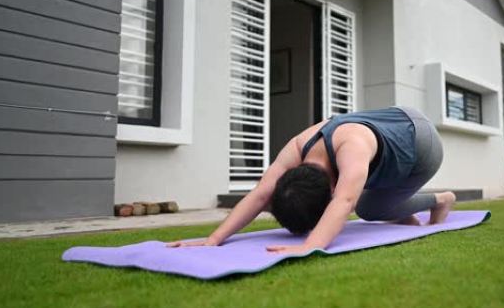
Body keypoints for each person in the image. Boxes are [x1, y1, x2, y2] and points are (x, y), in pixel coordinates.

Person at [167, 106, 455, 254]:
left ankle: (441, 199)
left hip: (422, 144)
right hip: (395, 126)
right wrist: (213, 239)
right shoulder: (297, 148)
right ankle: (401, 210)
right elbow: (260, 195)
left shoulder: (351, 150)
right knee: (375, 199)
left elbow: (344, 201)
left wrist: (312, 244)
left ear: (329, 189)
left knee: (370, 209)